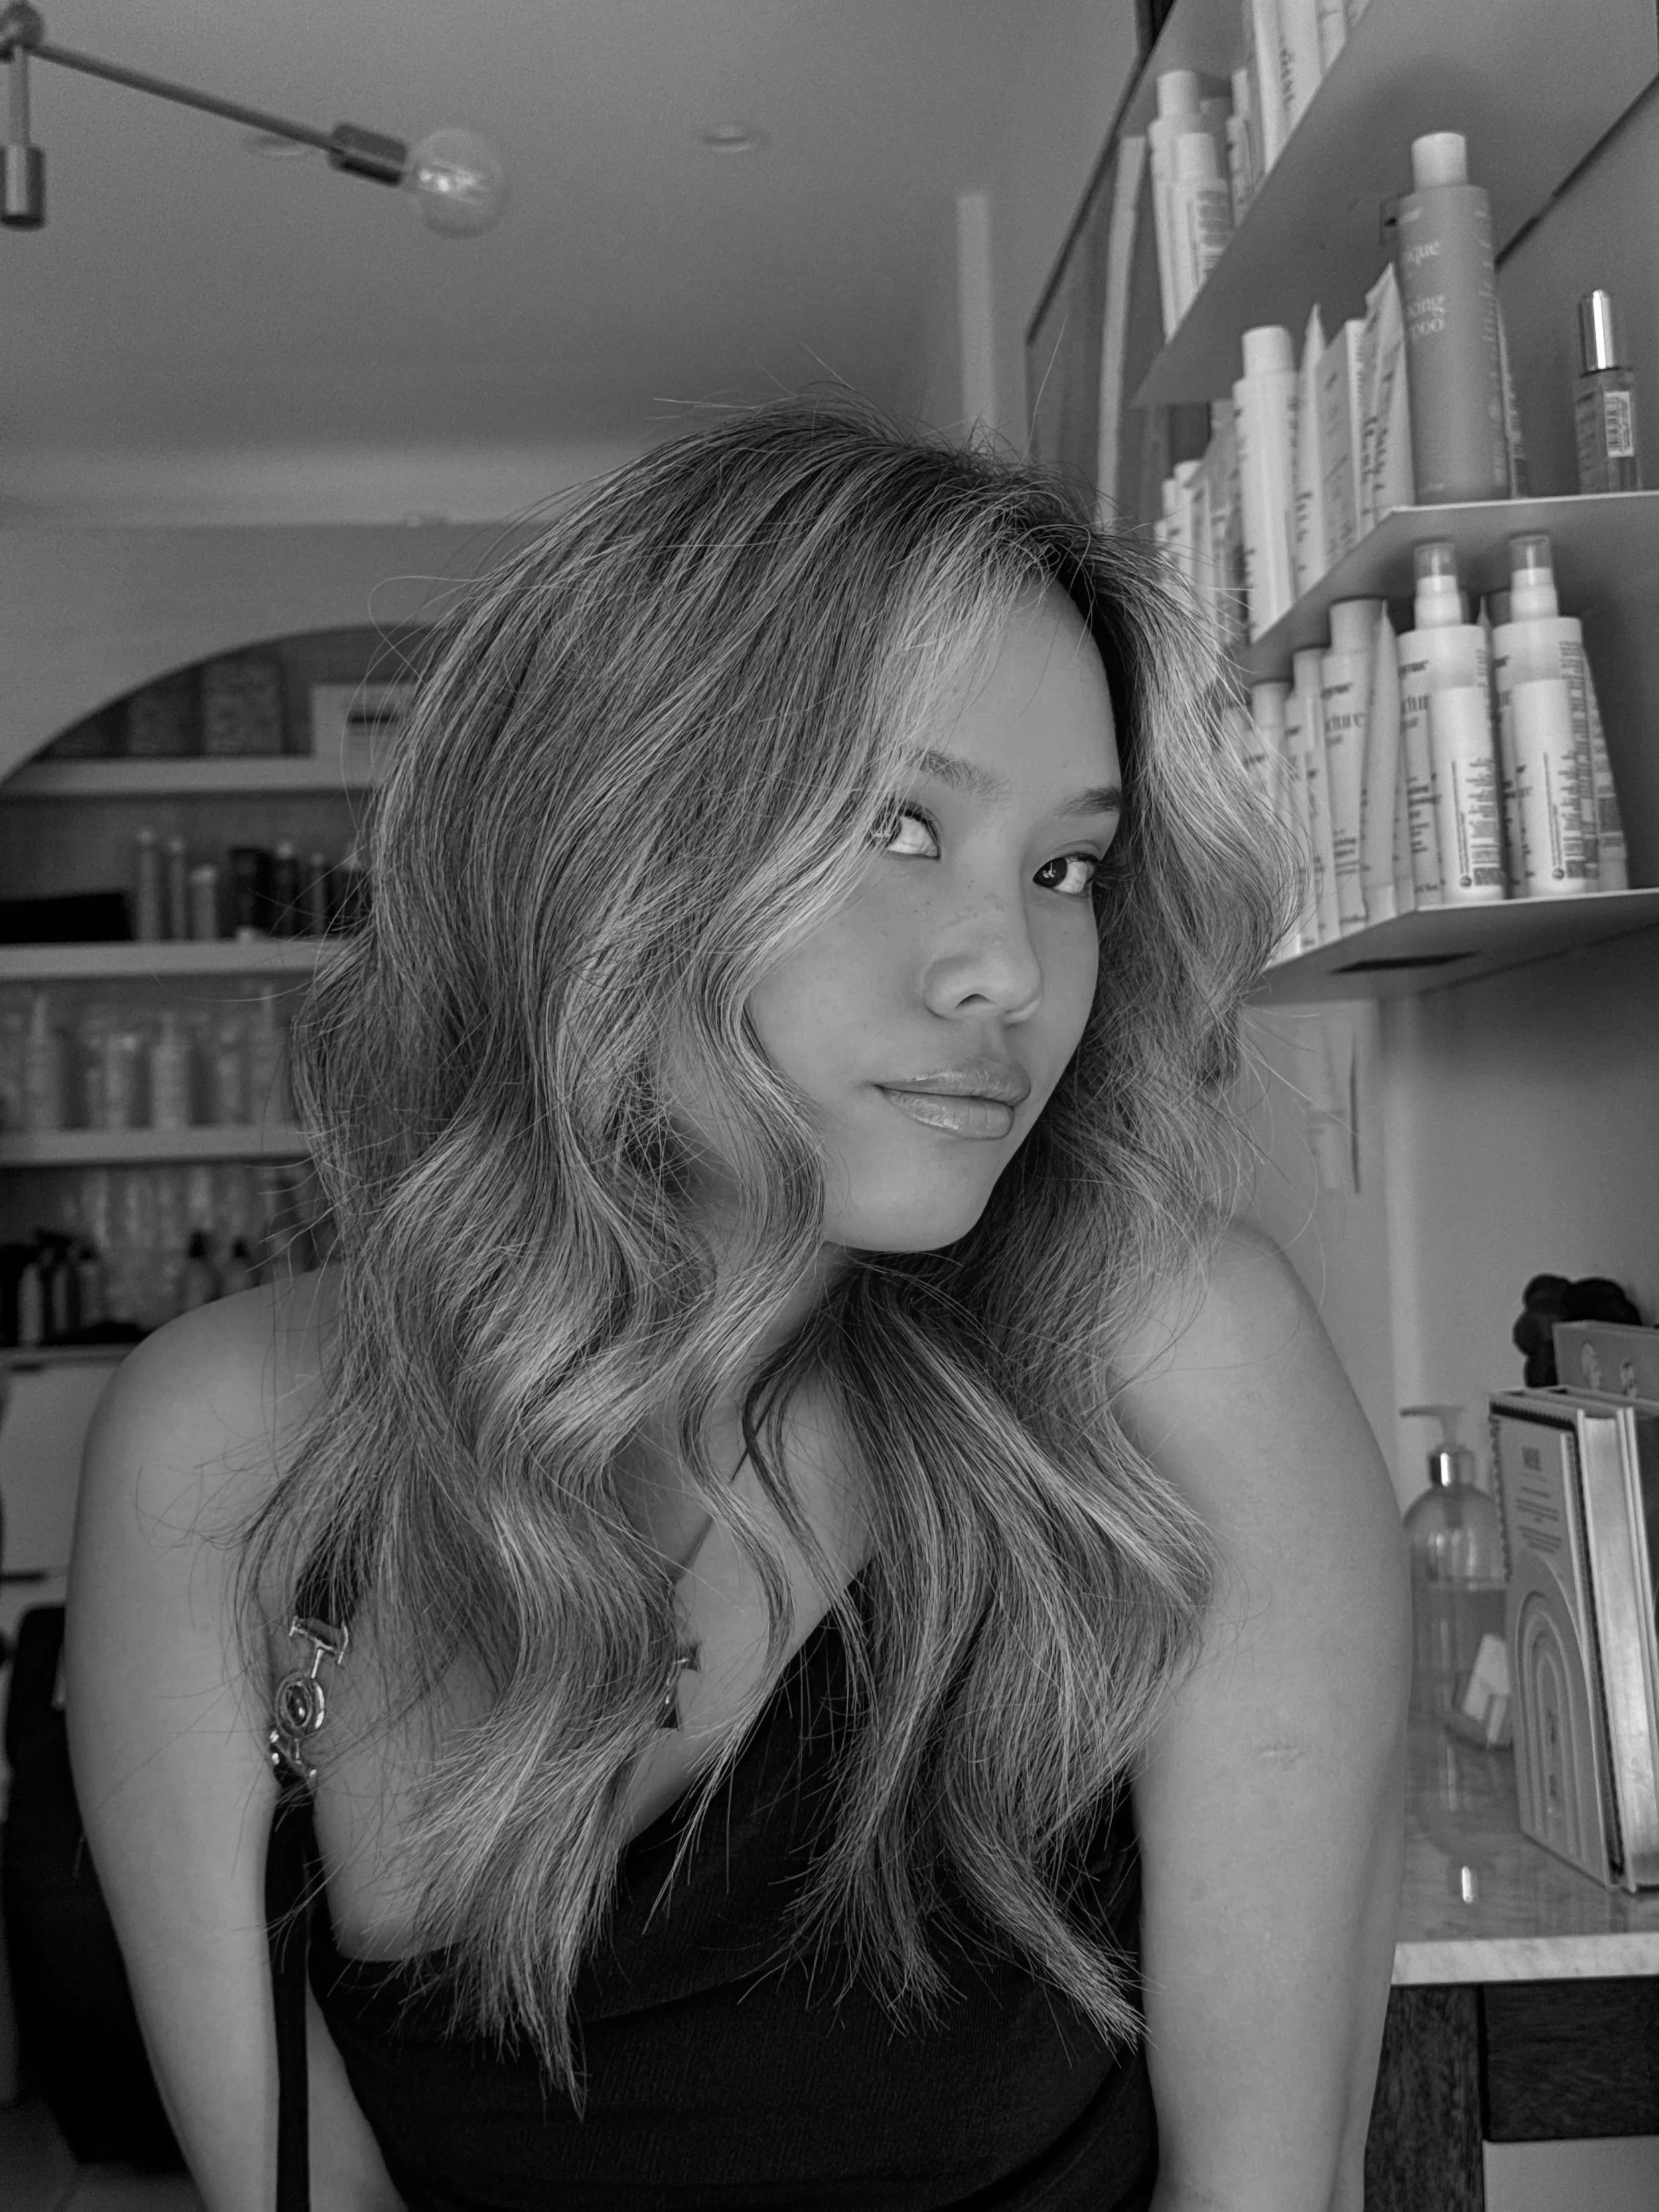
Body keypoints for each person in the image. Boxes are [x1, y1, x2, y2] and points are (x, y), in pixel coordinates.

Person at [65, 395, 1409, 2212]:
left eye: (1063, 865)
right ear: (605, 843)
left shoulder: (1165, 1362)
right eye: (897, 826)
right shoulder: (229, 1444)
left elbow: (1268, 2186)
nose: (1007, 967)